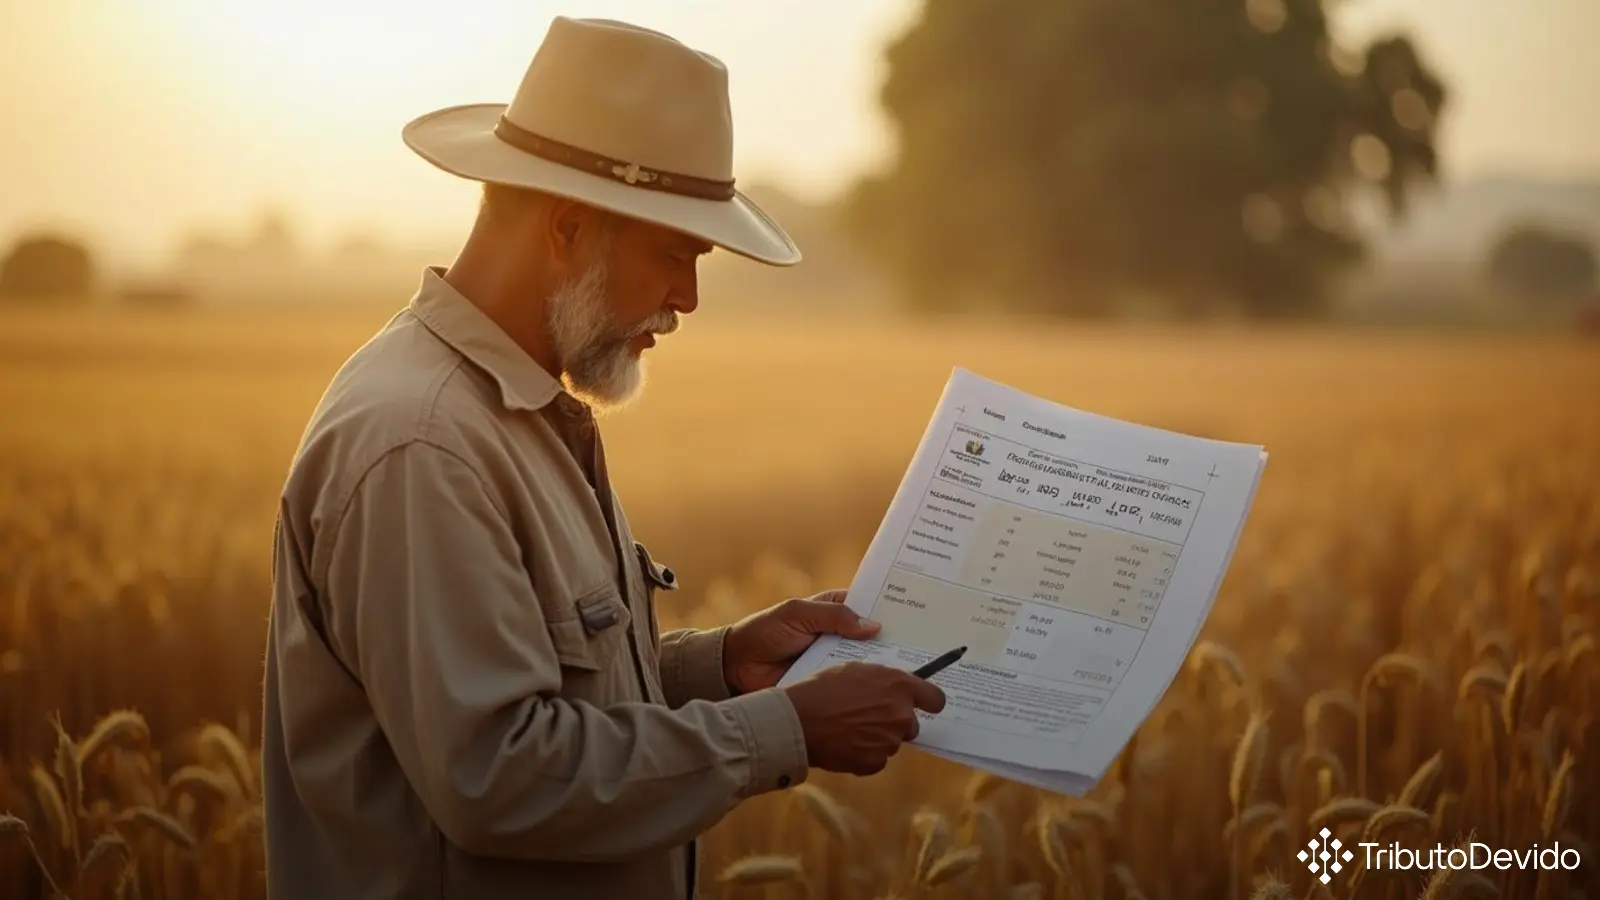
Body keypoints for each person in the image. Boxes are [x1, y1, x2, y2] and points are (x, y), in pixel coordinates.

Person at [260, 15, 948, 900]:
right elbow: (496, 776)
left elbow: (545, 700)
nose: (689, 299)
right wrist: (783, 730)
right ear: (568, 227)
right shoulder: (422, 446)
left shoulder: (518, 413)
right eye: (675, 254)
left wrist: (725, 665)